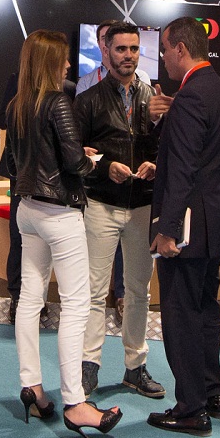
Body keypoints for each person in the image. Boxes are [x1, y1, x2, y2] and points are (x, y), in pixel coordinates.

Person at [3, 29, 118, 438]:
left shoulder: (17, 105)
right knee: (76, 305)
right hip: (60, 213)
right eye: (65, 58)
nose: (69, 64)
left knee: (30, 299)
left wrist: (70, 157)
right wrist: (95, 163)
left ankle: (32, 387)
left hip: (27, 210)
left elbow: (14, 163)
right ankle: (75, 402)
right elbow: (72, 163)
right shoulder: (58, 103)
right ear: (51, 62)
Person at [146, 16, 220, 435]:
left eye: (165, 49)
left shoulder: (189, 97)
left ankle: (190, 409)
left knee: (181, 315)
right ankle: (211, 391)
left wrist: (166, 230)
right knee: (205, 309)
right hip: (214, 222)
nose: (163, 58)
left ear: (180, 49)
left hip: (186, 228)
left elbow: (183, 170)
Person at [75, 22, 166, 399]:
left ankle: (135, 366)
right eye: (121, 49)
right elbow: (75, 154)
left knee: (139, 291)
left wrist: (156, 164)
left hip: (143, 205)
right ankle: (88, 365)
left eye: (134, 48)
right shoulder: (87, 100)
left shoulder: (153, 98)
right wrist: (103, 166)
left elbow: (166, 148)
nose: (128, 55)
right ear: (105, 51)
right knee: (95, 292)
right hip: (101, 203)